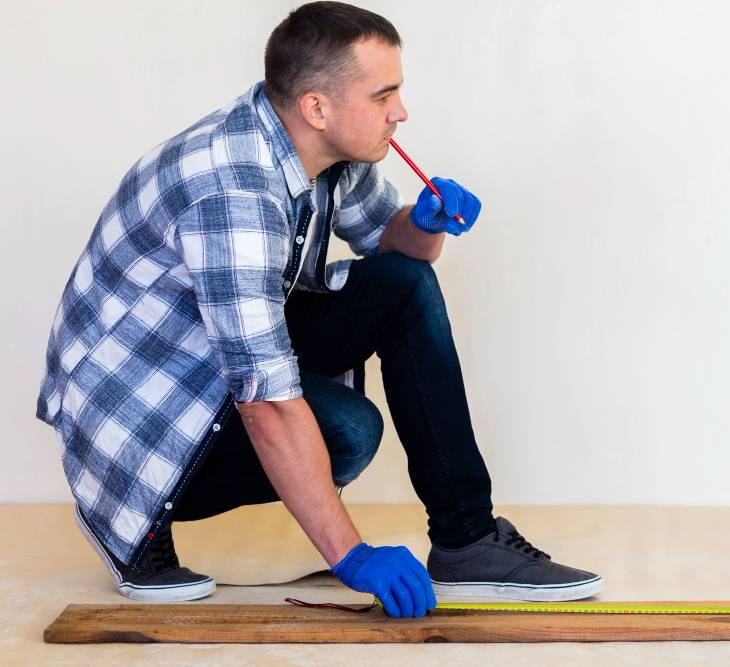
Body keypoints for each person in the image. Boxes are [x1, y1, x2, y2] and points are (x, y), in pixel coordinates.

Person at [35, 1, 602, 618]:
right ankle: (138, 522)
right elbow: (267, 398)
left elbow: (390, 244)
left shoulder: (316, 144)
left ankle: (467, 540)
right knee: (348, 431)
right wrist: (351, 556)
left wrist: (424, 222)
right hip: (141, 411)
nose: (401, 112)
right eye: (384, 95)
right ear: (317, 107)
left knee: (403, 282)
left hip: (208, 352)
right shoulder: (233, 192)